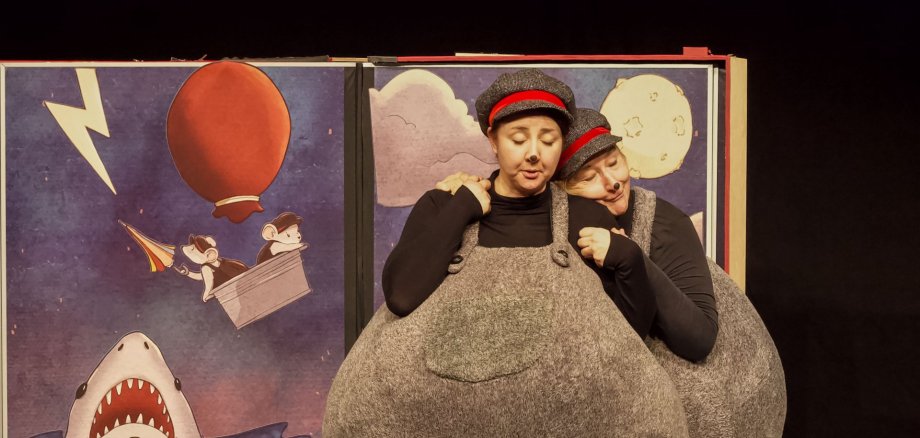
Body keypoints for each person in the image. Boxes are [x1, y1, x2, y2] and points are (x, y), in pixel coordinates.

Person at [382, 70, 657, 338]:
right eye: (518, 139)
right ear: (493, 140)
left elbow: (628, 342)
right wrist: (461, 209)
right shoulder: (444, 204)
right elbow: (401, 298)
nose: (534, 153)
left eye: (548, 140)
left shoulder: (588, 218)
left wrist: (629, 258)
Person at [435, 108, 717, 361]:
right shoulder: (552, 221)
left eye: (614, 163)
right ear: (558, 189)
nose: (613, 183)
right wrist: (463, 191)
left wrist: (632, 255)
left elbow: (699, 339)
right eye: (589, 178)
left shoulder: (663, 223)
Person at [177, 234, 248, 302]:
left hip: (226, 290)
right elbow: (204, 276)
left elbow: (209, 283)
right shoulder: (220, 261)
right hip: (237, 283)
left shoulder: (205, 267)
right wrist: (188, 273)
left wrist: (206, 295)